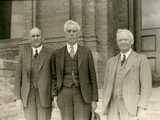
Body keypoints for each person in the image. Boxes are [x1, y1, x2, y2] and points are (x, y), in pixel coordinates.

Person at [51, 20, 98, 120]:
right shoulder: (57, 53)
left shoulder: (86, 52)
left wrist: (94, 99)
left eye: (74, 31)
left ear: (78, 34)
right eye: (69, 31)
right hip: (64, 93)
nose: (71, 33)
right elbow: (54, 77)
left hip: (82, 94)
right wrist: (55, 95)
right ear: (65, 34)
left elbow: (92, 77)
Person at [102, 29, 152, 120]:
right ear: (117, 42)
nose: (123, 42)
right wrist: (105, 106)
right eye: (120, 40)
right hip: (113, 107)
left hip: (131, 107)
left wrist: (141, 108)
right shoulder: (111, 62)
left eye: (126, 39)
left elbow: (146, 86)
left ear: (132, 41)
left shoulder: (141, 59)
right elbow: (106, 86)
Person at [14, 27, 54, 120]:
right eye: (33, 36)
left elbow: (54, 77)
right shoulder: (23, 53)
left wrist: (54, 96)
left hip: (45, 97)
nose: (35, 38)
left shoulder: (50, 53)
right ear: (29, 39)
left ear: (42, 37)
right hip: (28, 96)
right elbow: (18, 77)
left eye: (38, 35)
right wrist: (18, 98)